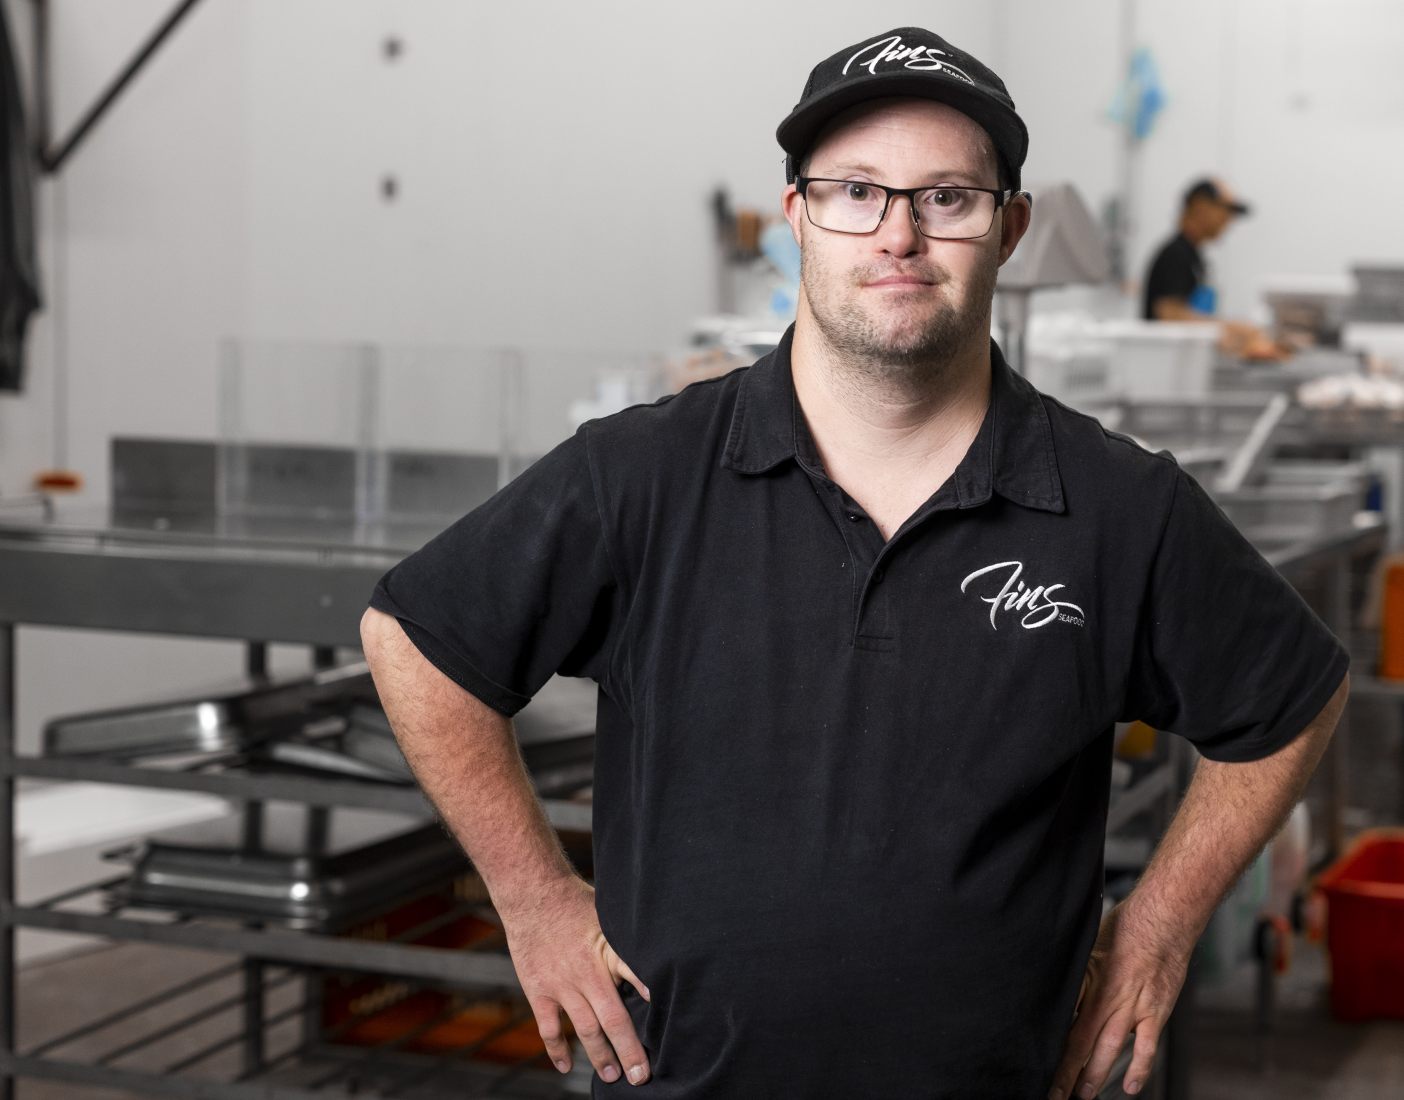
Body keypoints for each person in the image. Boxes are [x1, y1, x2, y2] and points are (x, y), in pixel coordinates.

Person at [360, 26, 1349, 1100]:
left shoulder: (1117, 505)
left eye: (946, 199)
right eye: (854, 192)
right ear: (797, 218)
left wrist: (1155, 926)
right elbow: (414, 637)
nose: (898, 234)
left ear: (1008, 228)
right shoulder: (640, 476)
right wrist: (534, 896)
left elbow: (1290, 698)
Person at [1142, 178, 1280, 357]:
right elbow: (1169, 316)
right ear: (1200, 208)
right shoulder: (1175, 255)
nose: (1229, 221)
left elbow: (1192, 314)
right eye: (1224, 212)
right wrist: (1232, 332)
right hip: (1163, 364)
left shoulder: (1194, 257)